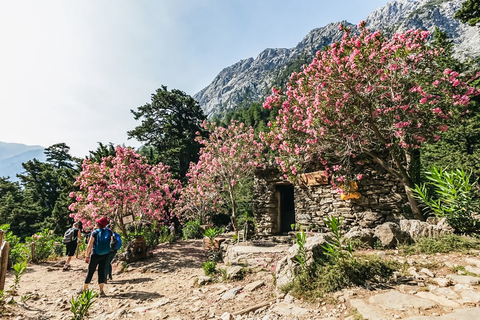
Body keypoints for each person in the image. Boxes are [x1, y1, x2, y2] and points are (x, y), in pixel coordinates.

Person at [80, 216, 113, 296]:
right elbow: (111, 242)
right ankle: (101, 291)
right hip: (106, 254)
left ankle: (84, 290)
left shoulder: (95, 232)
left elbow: (89, 245)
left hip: (95, 254)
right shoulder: (109, 231)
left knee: (90, 271)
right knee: (101, 271)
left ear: (98, 224)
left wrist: (87, 256)